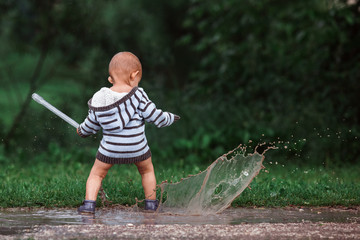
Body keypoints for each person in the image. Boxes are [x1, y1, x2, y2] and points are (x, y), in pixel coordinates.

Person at [77, 52, 179, 214]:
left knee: (96, 175)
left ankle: (89, 204)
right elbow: (155, 116)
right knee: (147, 170)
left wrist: (81, 130)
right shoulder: (138, 96)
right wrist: (169, 118)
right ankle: (151, 203)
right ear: (134, 75)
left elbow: (90, 125)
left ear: (111, 79)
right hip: (137, 148)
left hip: (109, 150)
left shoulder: (100, 99)